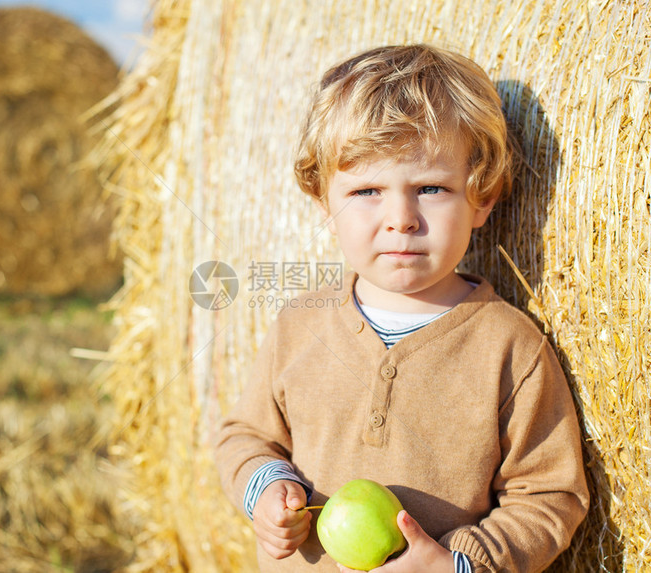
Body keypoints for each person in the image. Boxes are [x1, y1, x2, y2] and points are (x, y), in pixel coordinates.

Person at [214, 44, 589, 573]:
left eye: (430, 187)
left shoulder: (509, 347)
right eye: (366, 190)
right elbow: (246, 435)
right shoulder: (301, 324)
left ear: (480, 197)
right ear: (323, 200)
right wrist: (266, 487)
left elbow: (551, 496)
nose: (401, 218)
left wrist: (459, 564)